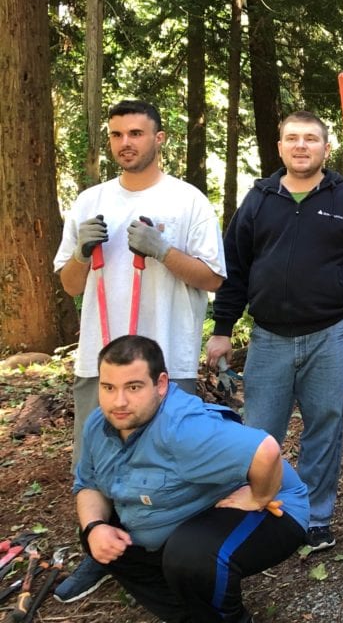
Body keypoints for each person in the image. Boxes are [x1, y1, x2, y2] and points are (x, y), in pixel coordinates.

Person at [206, 111, 343, 553]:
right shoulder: (259, 199)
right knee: (261, 431)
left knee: (325, 425)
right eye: (292, 139)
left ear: (326, 147)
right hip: (269, 337)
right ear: (280, 147)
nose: (301, 146)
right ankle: (262, 506)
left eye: (311, 139)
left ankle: (313, 517)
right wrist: (222, 328)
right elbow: (235, 268)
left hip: (329, 334)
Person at [53, 99, 226, 602]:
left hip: (166, 356)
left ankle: (172, 552)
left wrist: (162, 250)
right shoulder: (89, 201)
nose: (125, 143)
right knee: (96, 457)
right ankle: (99, 549)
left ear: (159, 138)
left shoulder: (188, 200)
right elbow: (68, 285)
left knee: (174, 455)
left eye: (136, 133)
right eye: (116, 134)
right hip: (100, 360)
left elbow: (213, 276)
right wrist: (83, 253)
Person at [74, 335, 309, 623]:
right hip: (186, 513)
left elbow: (266, 450)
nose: (118, 401)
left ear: (160, 385)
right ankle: (191, 615)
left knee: (189, 555)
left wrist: (258, 496)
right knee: (100, 534)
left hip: (275, 506)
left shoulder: (184, 428)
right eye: (108, 387)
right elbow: (88, 484)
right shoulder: (98, 424)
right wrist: (94, 527)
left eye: (133, 387)